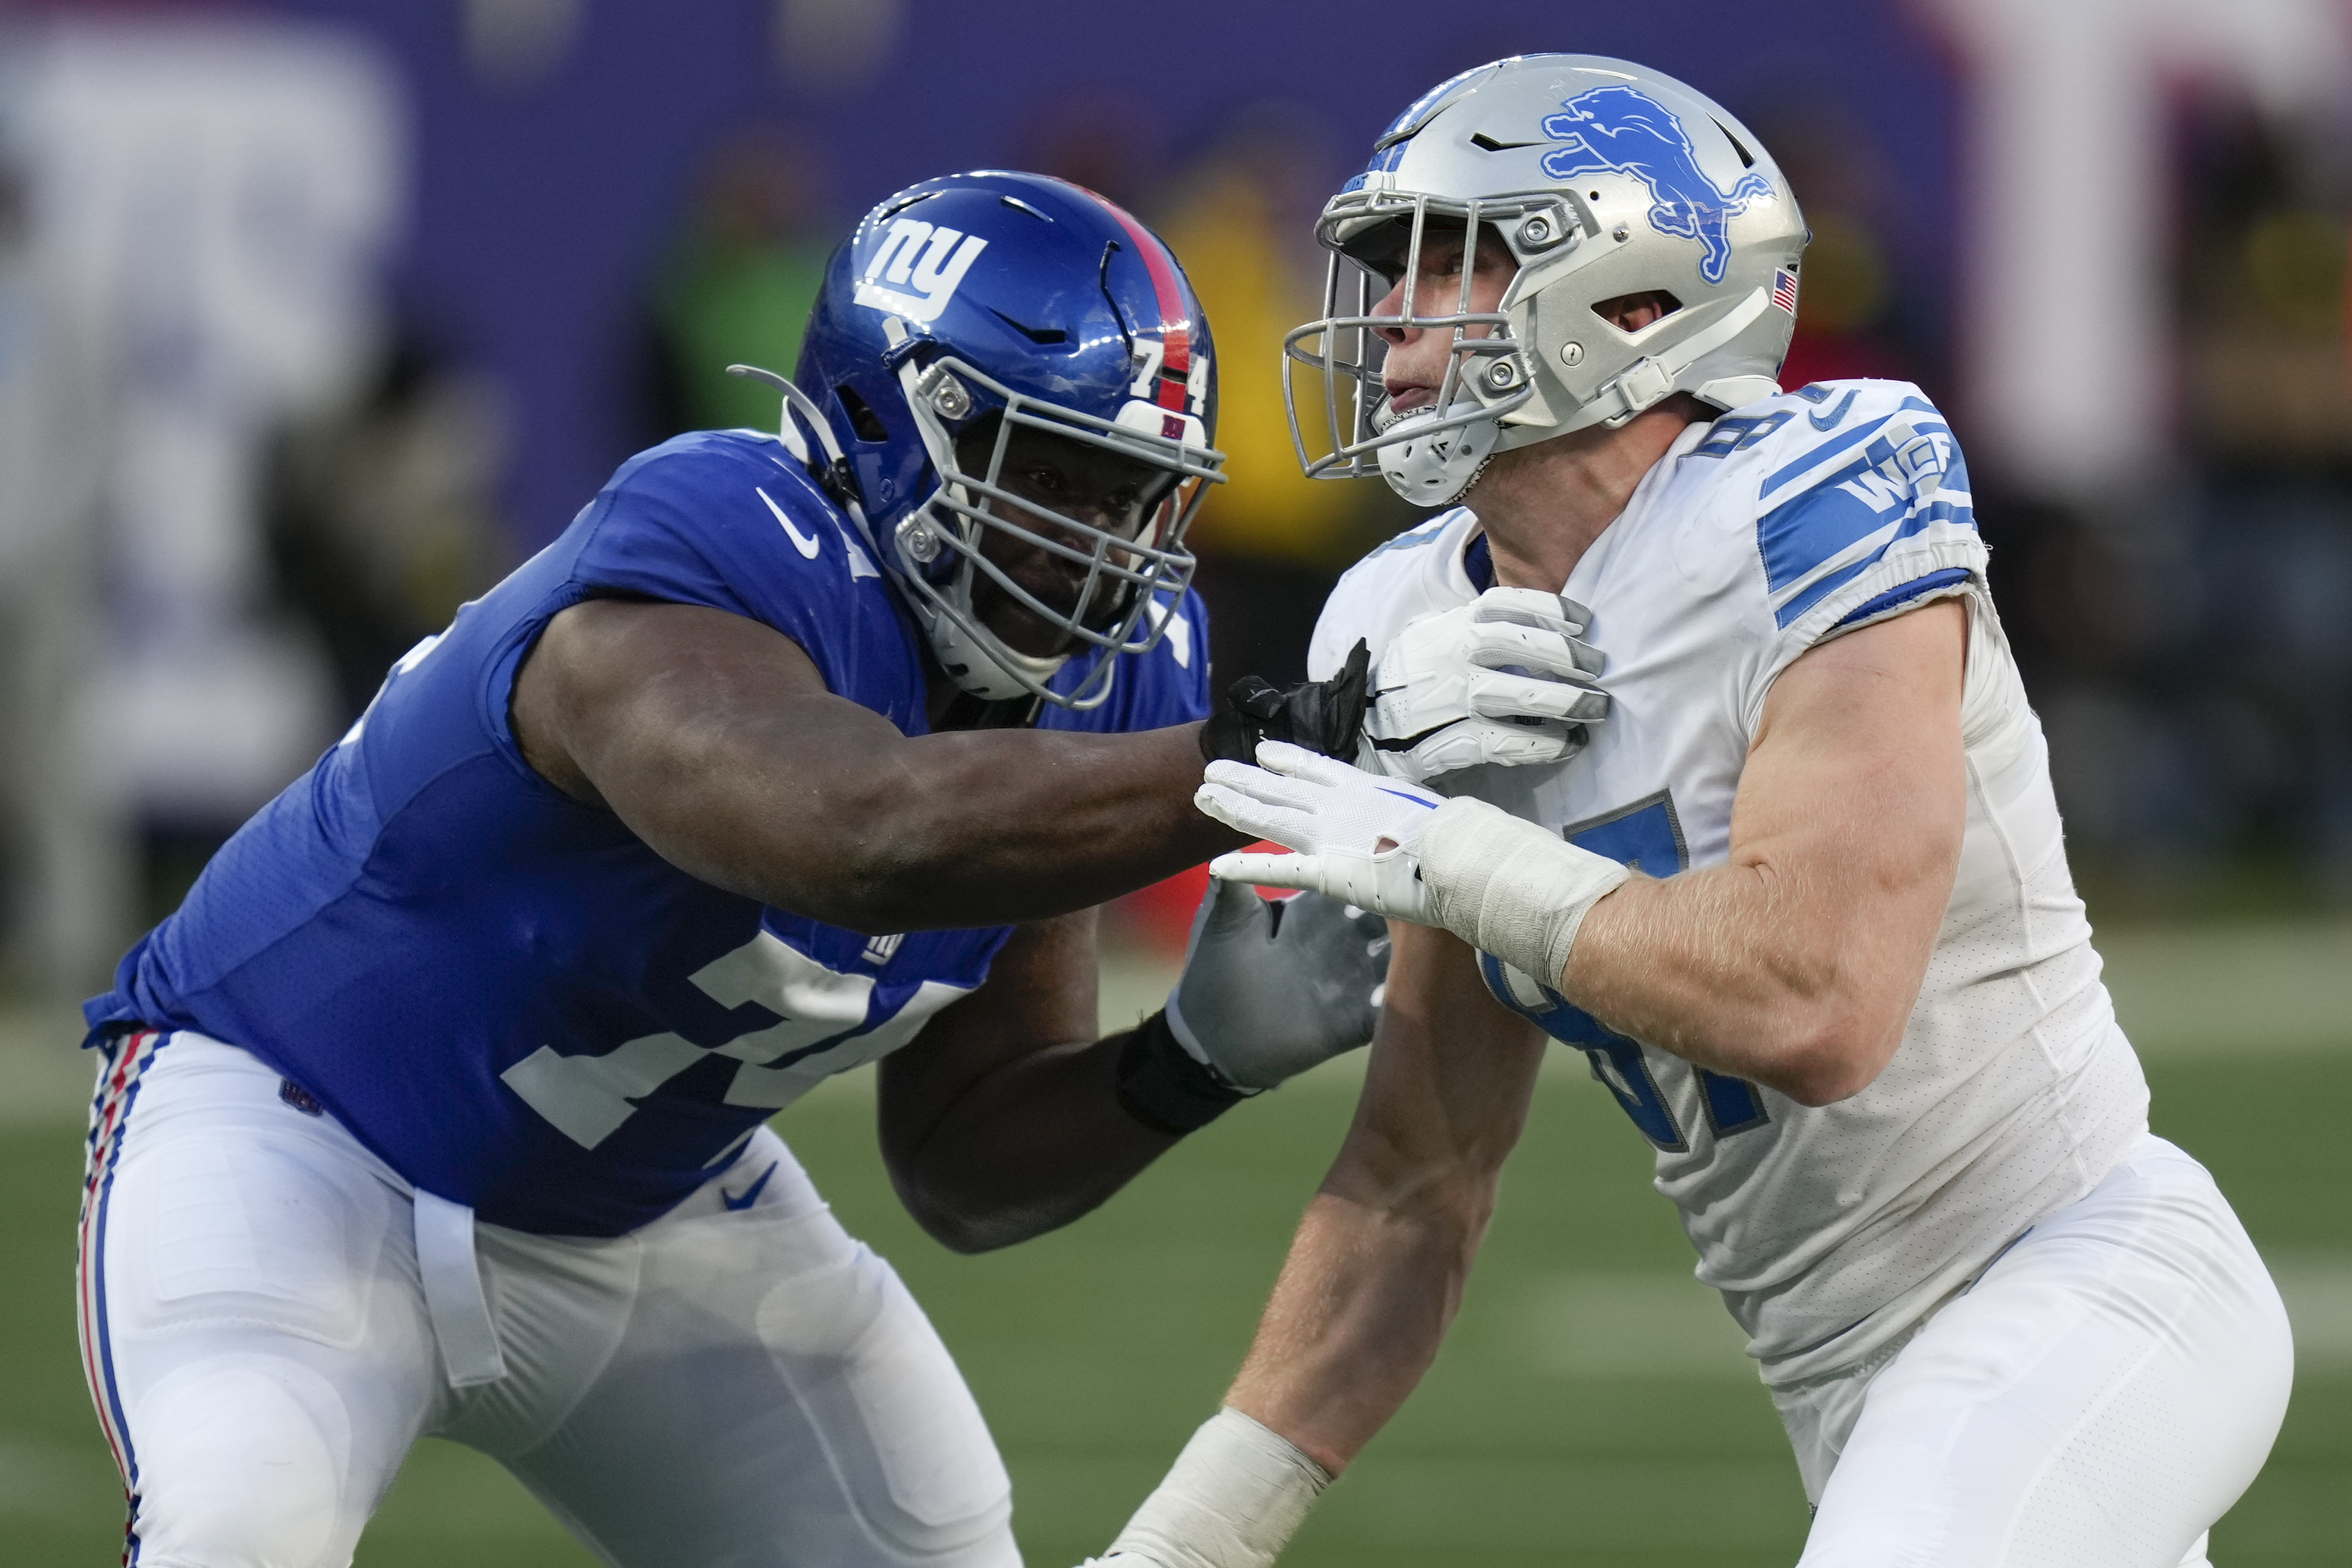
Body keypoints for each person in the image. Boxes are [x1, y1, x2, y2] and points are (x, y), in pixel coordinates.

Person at [70, 169, 1599, 1568]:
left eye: (1134, 493)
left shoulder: (1114, 672)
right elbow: (855, 830)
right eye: (1053, 475)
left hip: (648, 1214)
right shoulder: (717, 536)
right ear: (886, 423)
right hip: (296, 1134)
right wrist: (1315, 733)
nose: (1100, 546)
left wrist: (1184, 1064)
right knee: (234, 1530)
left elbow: (959, 1167)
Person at [1084, 55, 2295, 1568]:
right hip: (1843, 1390)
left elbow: (1817, 998)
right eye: (1387, 264)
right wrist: (1183, 1545)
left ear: (1634, 295)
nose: (1387, 311)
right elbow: (1414, 1178)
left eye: (1452, 256)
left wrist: (1440, 849)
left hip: (2073, 1278)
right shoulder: (1395, 620)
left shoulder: (1819, 490)